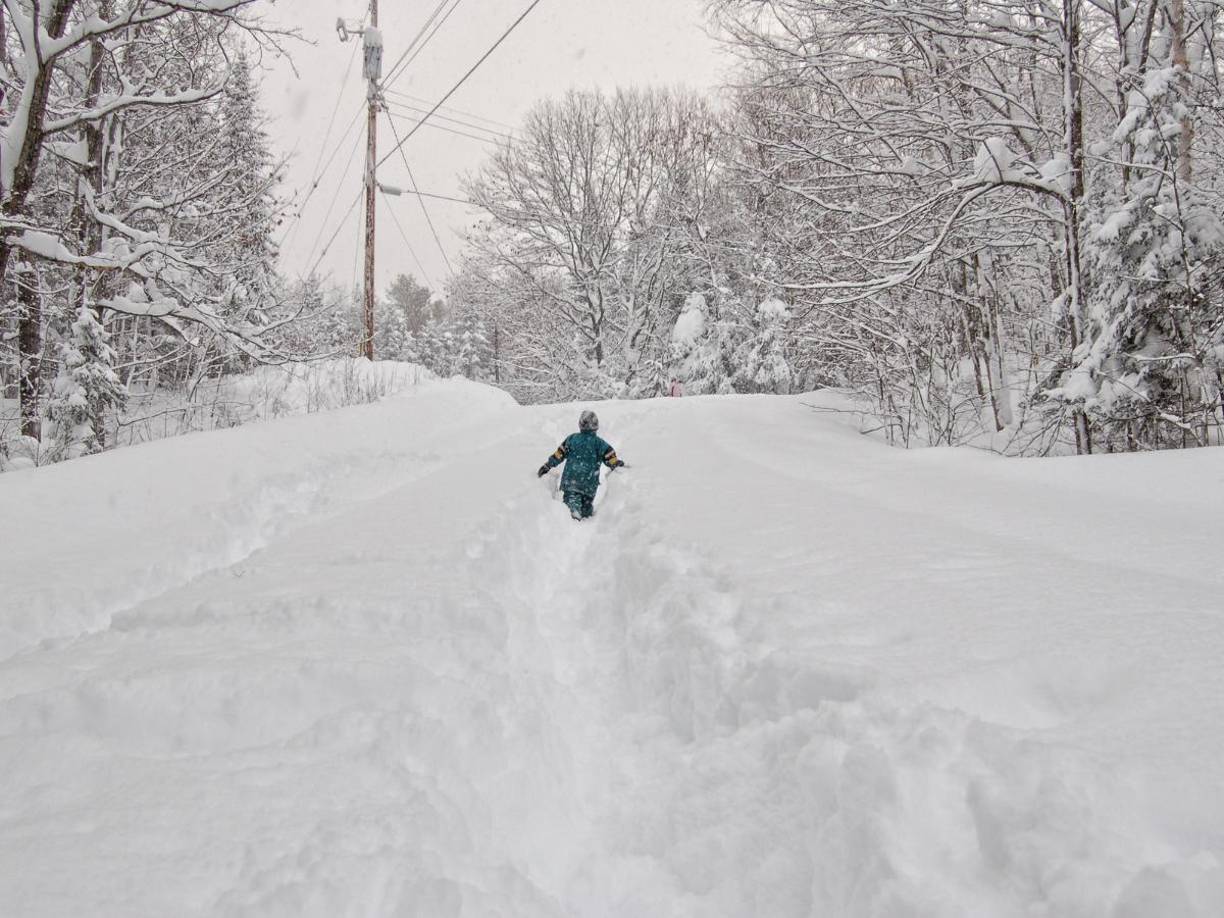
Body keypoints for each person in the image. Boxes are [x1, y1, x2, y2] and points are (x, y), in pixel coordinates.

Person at [537, 410, 626, 520]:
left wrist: (548, 465)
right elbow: (610, 457)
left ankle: (573, 517)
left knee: (572, 507)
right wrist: (616, 463)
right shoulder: (600, 443)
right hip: (589, 486)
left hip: (571, 483)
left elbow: (559, 454)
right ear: (596, 425)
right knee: (586, 512)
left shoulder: (572, 439)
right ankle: (585, 517)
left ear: (580, 424)